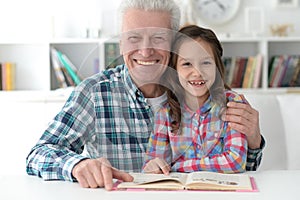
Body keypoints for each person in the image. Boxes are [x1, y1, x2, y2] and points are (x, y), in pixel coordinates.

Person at [26, 0, 264, 190]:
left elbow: (241, 168)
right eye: (134, 38)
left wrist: (253, 142)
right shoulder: (95, 93)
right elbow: (38, 154)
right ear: (121, 44)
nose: (145, 50)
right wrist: (77, 165)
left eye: (158, 37)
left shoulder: (200, 93)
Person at [143, 25, 248, 174]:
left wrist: (177, 167)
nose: (197, 72)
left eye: (206, 62)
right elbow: (154, 164)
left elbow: (235, 162)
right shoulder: (165, 113)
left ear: (217, 67)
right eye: (186, 64)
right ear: (175, 70)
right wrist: (153, 167)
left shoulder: (232, 104)